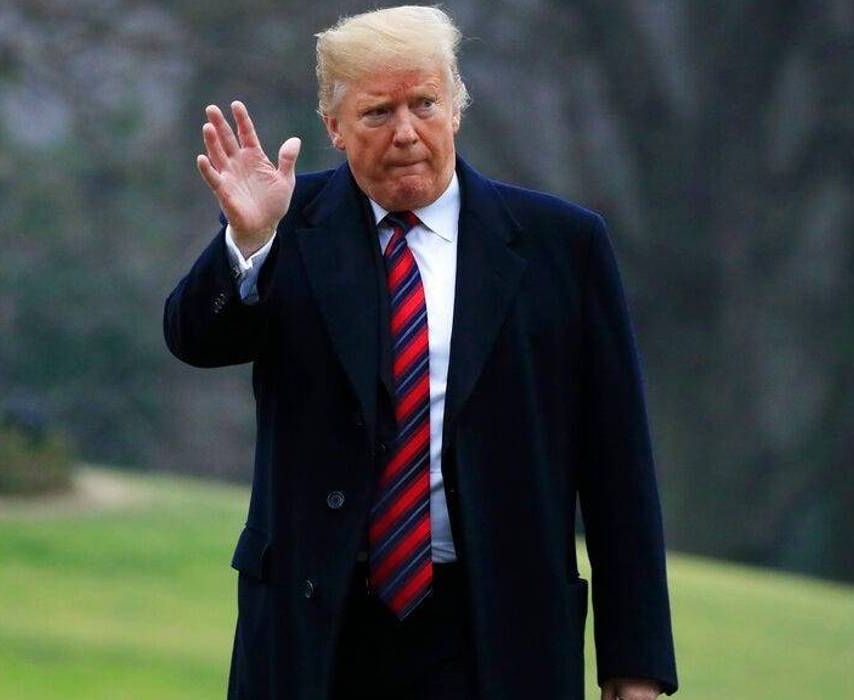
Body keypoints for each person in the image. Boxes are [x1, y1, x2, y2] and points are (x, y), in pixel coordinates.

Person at [163, 6, 677, 700]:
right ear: (334, 127)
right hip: (317, 627)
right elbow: (196, 341)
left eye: (424, 104)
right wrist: (248, 244)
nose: (405, 132)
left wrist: (634, 660)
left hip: (495, 629)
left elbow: (618, 464)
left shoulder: (563, 245)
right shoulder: (285, 222)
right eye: (378, 112)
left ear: (456, 107)